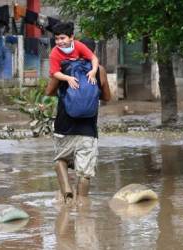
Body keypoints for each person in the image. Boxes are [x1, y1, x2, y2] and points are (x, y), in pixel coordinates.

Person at [46, 37, 111, 204]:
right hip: (88, 129)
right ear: (92, 52)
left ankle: (66, 189)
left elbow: (49, 91)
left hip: (63, 126)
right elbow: (107, 97)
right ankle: (82, 205)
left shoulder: (63, 68)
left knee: (61, 159)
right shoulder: (99, 70)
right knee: (84, 173)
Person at [49, 22, 99, 89]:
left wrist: (94, 71)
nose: (59, 42)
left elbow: (93, 58)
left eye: (62, 38)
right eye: (56, 39)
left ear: (71, 37)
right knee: (53, 85)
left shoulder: (78, 45)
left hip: (78, 72)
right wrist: (68, 78)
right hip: (63, 75)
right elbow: (55, 72)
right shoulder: (54, 53)